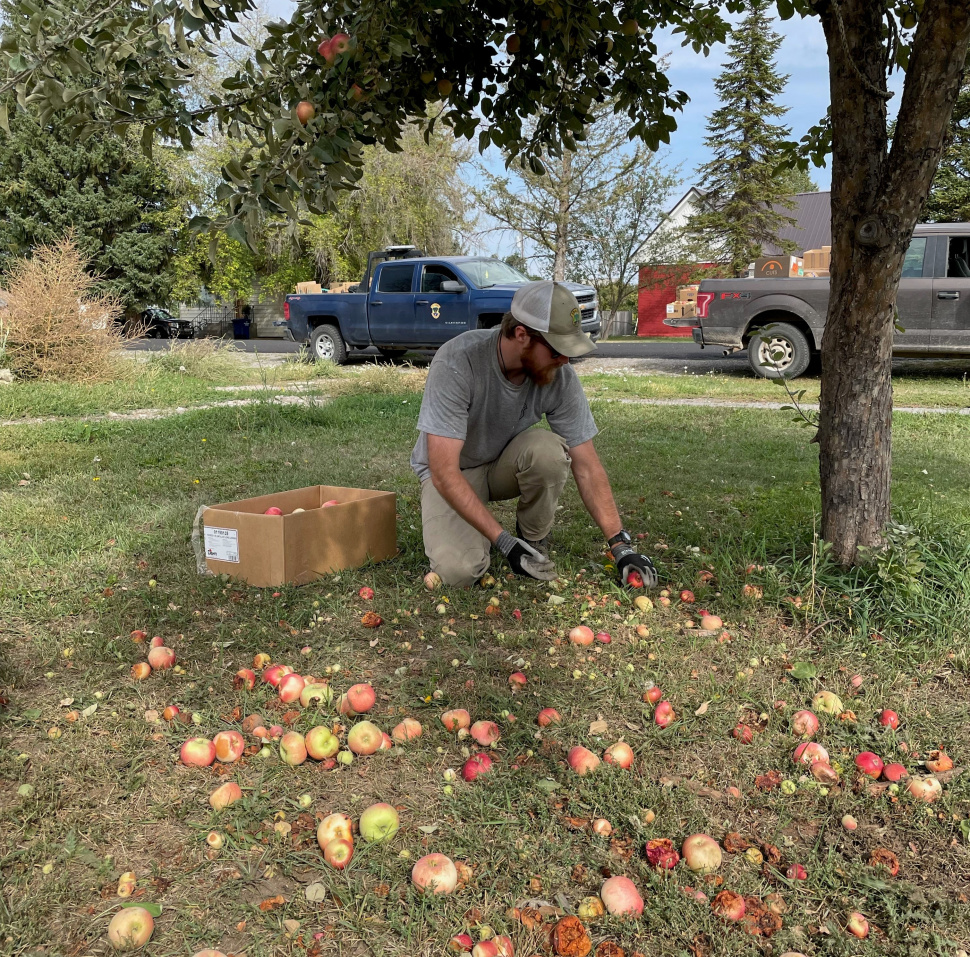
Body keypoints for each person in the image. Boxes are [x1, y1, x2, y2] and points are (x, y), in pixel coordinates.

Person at [410, 280, 658, 588]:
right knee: (459, 573)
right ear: (521, 335)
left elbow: (587, 465)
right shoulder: (459, 361)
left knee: (548, 451)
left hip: (501, 464)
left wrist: (621, 547)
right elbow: (444, 471)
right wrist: (503, 542)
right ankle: (506, 545)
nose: (565, 361)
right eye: (557, 351)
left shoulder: (558, 375)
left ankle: (532, 540)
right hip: (454, 472)